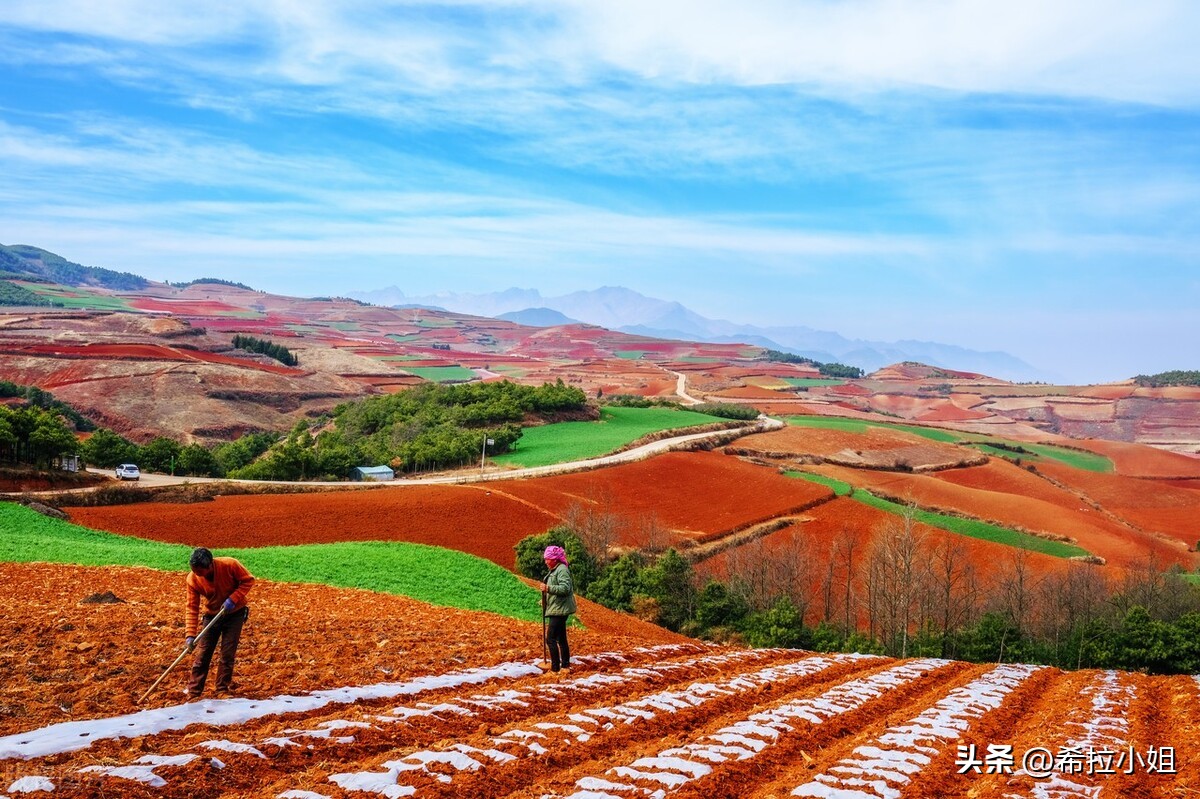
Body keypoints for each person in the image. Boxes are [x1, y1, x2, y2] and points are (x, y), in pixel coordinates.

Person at [184, 547, 255, 698]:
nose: (198, 576)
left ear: (210, 565)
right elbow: (192, 607)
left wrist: (233, 598)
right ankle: (194, 691)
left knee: (227, 653)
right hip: (211, 615)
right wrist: (190, 635)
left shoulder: (230, 565)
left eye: (200, 572)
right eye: (195, 571)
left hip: (235, 613)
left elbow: (248, 580)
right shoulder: (192, 579)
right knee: (203, 653)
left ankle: (222, 689)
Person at [538, 545, 576, 674]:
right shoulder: (556, 569)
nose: (545, 561)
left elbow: (565, 588)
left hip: (559, 610)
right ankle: (565, 666)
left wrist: (548, 588)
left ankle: (555, 668)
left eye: (547, 559)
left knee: (551, 639)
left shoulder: (562, 570)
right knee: (561, 638)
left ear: (554, 559)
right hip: (557, 608)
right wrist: (545, 599)